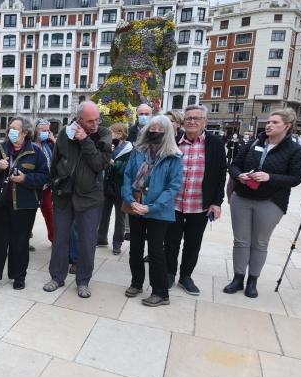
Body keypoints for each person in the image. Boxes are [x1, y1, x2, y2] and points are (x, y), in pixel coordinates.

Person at [223, 108, 301, 298]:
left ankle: (253, 280)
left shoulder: (295, 150)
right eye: (268, 122)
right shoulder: (254, 143)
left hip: (271, 201)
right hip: (242, 197)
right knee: (241, 240)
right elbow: (234, 164)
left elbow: (296, 178)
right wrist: (239, 175)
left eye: (275, 122)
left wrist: (269, 177)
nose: (269, 125)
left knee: (260, 242)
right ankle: (238, 278)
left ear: (287, 125)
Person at [43, 101, 112, 298]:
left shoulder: (104, 134)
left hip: (90, 198)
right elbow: (55, 160)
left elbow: (99, 164)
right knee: (60, 239)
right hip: (64, 196)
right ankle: (56, 277)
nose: (95, 124)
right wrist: (54, 182)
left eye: (97, 119)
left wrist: (85, 141)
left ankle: (83, 281)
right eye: (90, 121)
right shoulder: (65, 133)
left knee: (87, 242)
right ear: (79, 119)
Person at [163, 105, 227, 295]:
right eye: (188, 118)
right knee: (171, 241)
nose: (191, 121)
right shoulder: (173, 142)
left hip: (200, 204)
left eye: (196, 118)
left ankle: (185, 276)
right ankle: (168, 273)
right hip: (173, 203)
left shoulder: (215, 143)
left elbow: (221, 173)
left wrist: (217, 202)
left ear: (204, 122)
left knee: (193, 243)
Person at [122, 115, 183, 306]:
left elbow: (173, 188)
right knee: (135, 247)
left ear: (167, 133)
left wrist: (151, 207)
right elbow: (127, 177)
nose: (154, 131)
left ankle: (161, 292)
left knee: (156, 251)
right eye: (151, 128)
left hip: (158, 211)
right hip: (136, 206)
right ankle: (136, 282)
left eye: (159, 129)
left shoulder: (174, 156)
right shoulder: (138, 151)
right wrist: (131, 201)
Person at [0, 116, 49, 289]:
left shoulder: (35, 152)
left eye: (15, 129)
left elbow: (44, 176)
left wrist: (25, 178)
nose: (11, 131)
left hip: (24, 205)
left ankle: (19, 276)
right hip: (0, 203)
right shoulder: (0, 148)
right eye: (10, 128)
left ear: (25, 133)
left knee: (20, 242)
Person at [97, 122, 133, 255]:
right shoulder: (110, 146)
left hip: (120, 187)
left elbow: (126, 168)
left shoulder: (129, 149)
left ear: (120, 133)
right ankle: (101, 238)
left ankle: (117, 243)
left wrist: (112, 162)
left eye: (112, 132)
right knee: (104, 214)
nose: (110, 134)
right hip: (107, 186)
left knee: (120, 217)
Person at [33, 118, 56, 243]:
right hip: (32, 186)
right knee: (29, 214)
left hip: (46, 186)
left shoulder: (48, 144)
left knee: (49, 212)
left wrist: (54, 141)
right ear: (36, 130)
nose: (46, 133)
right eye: (43, 130)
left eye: (48, 130)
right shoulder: (30, 145)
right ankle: (24, 239)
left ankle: (54, 238)